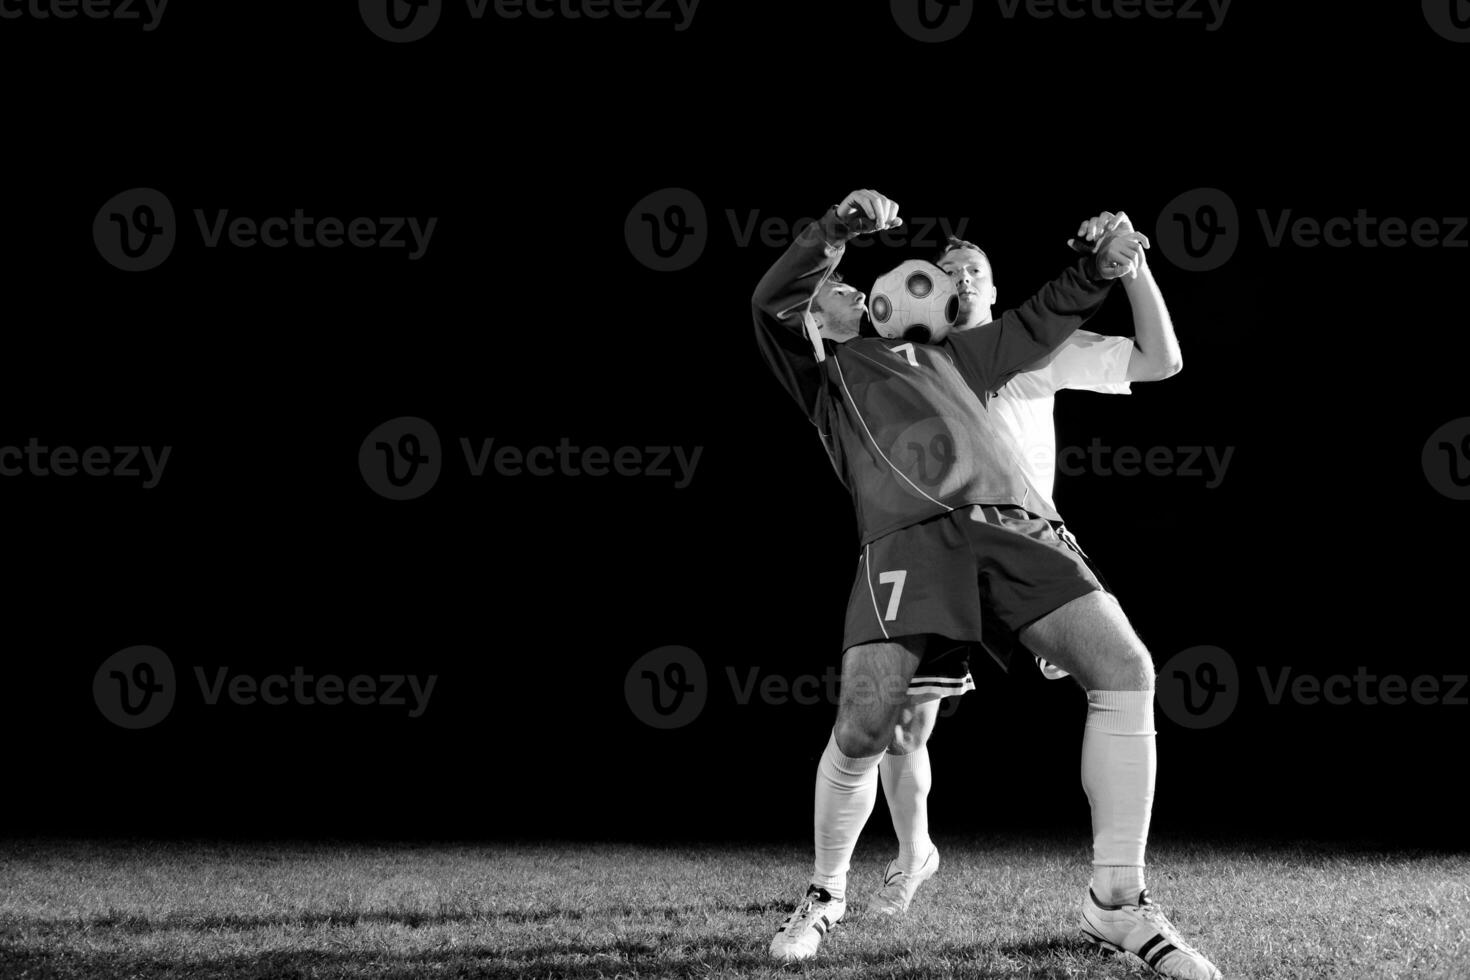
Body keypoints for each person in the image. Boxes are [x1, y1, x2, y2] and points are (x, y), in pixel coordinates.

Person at [754, 191, 1218, 979]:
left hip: (1014, 524)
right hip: (909, 545)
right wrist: (835, 230)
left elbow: (1042, 321)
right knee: (870, 728)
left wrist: (1102, 266)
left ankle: (1118, 904)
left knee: (1127, 670)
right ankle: (826, 893)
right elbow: (774, 302)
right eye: (843, 292)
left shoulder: (960, 357)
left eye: (869, 284)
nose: (850, 291)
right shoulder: (830, 375)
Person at [871, 215, 1182, 924]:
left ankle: (1117, 893)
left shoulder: (1038, 348)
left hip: (1026, 547)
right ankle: (913, 852)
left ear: (995, 285)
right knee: (902, 726)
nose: (961, 275)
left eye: (974, 265)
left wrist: (1130, 266)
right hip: (940, 555)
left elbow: (1162, 361)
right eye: (946, 270)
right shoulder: (913, 365)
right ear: (927, 292)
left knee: (1122, 674)